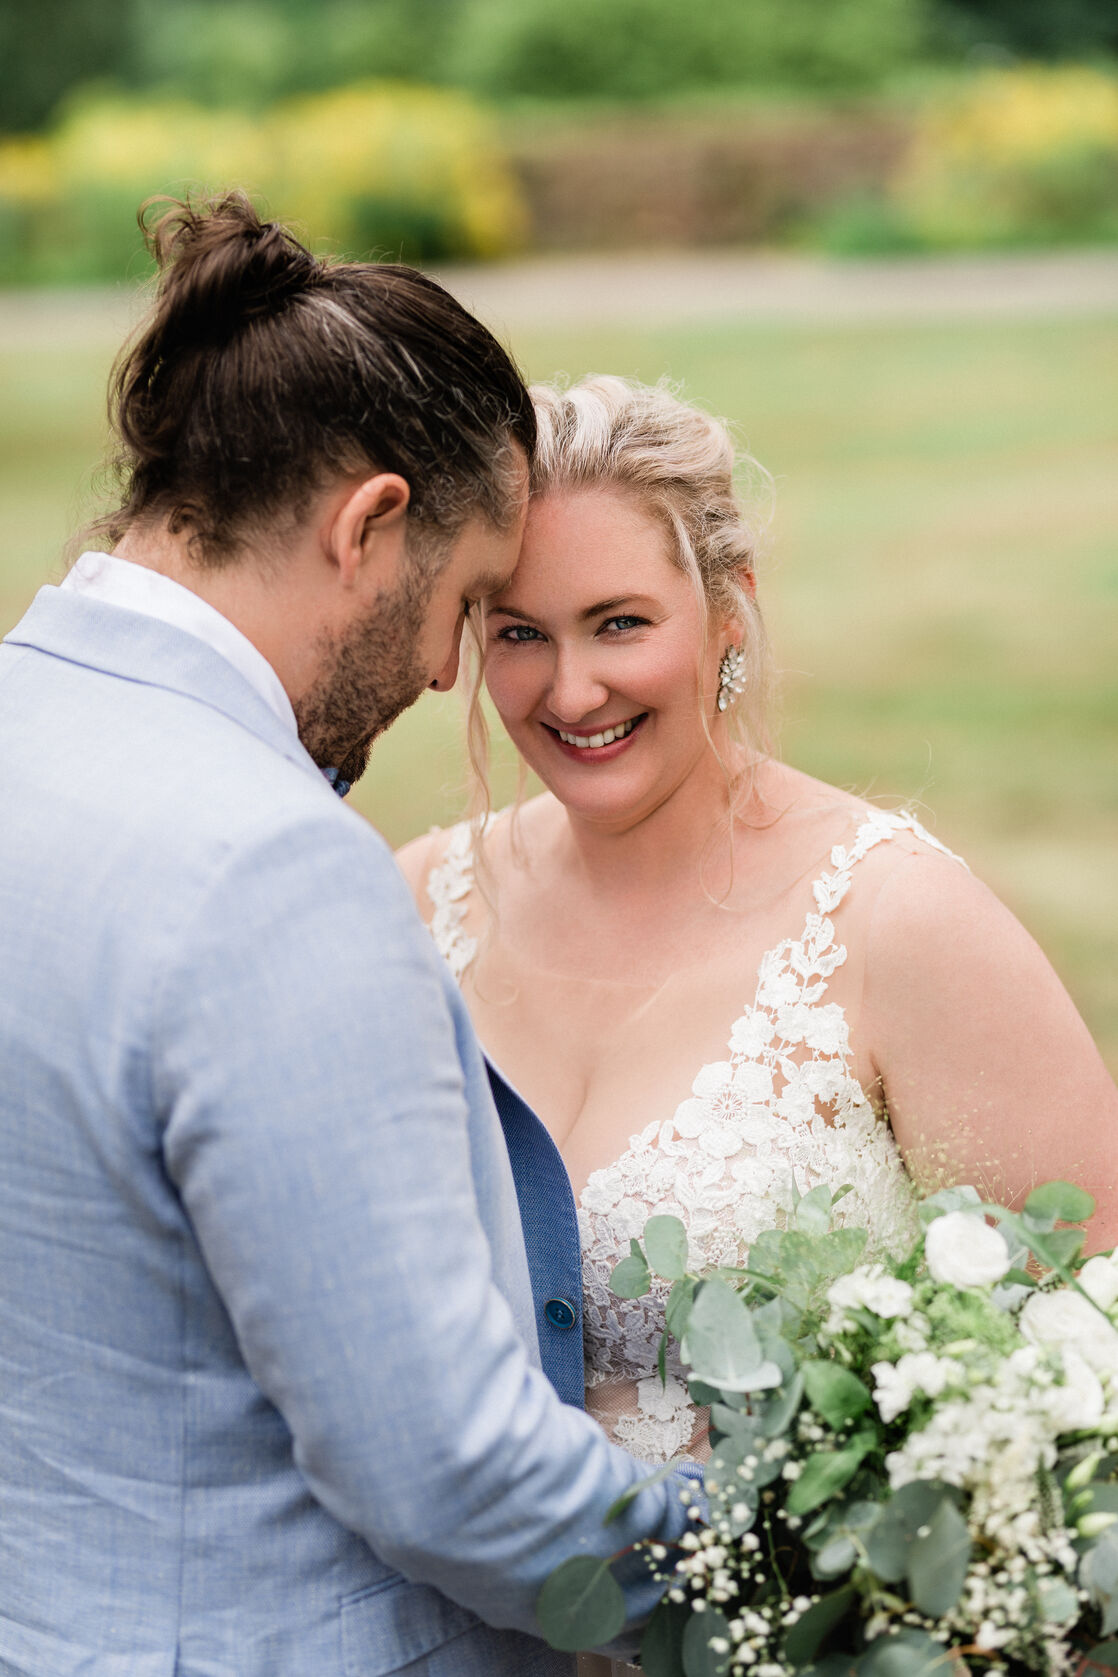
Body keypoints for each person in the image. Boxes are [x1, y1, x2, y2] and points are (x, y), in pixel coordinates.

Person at [0, 204, 701, 1676]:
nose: (448, 668)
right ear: (368, 524)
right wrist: (781, 1561)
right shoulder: (272, 869)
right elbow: (452, 1476)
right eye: (466, 602)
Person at [399, 375, 1118, 1665]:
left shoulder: (899, 924)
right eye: (518, 634)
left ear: (729, 611)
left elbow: (1092, 1346)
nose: (570, 692)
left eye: (620, 623)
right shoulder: (415, 906)